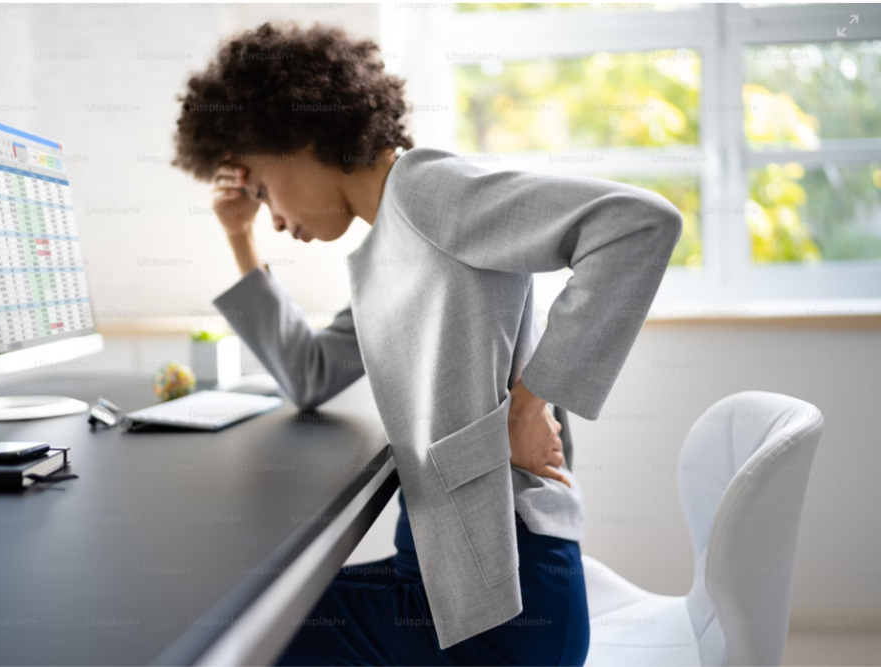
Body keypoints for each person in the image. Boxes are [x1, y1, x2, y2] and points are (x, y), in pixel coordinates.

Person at [172, 21, 682, 667]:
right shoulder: (386, 250)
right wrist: (239, 238)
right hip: (450, 583)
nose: (273, 217)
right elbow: (310, 373)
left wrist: (531, 405)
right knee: (253, 611)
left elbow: (638, 223)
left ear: (295, 138)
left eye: (265, 191)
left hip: (506, 610)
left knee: (237, 636)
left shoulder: (428, 192)